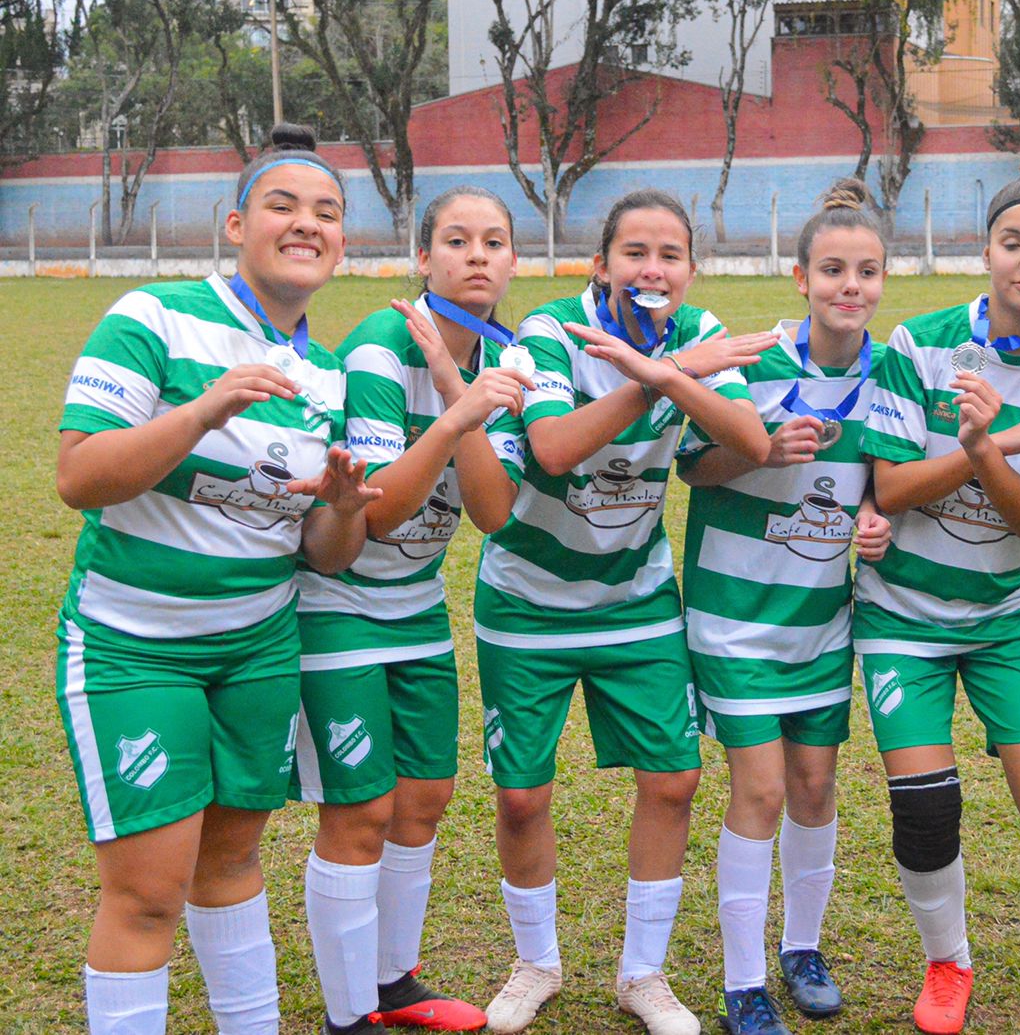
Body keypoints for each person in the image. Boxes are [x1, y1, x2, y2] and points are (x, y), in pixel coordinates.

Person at [55, 122, 380, 1034]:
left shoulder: (327, 376)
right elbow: (81, 477)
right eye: (283, 205)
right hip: (137, 649)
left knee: (233, 867)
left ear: (343, 241)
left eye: (327, 212)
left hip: (259, 649)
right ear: (235, 225)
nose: (306, 223)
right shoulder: (151, 316)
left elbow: (320, 551)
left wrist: (347, 507)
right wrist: (202, 409)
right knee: (150, 895)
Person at [475, 188, 779, 1035]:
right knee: (523, 797)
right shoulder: (549, 333)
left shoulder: (698, 330)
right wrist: (663, 382)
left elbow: (750, 443)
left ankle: (642, 975)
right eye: (634, 253)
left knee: (674, 779)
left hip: (636, 600)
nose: (652, 269)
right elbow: (553, 447)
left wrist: (676, 369)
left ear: (689, 269)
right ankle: (535, 961)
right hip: (527, 602)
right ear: (600, 264)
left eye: (670, 255)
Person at [857, 145, 1020, 1035]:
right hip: (901, 615)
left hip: (1007, 617)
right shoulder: (918, 344)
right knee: (926, 810)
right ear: (987, 251)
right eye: (1013, 241)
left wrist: (976, 447)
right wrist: (999, 441)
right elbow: (889, 489)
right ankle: (948, 966)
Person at [292, 187, 539, 1034]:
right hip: (338, 602)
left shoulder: (508, 359)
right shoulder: (374, 348)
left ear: (514, 261)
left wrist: (457, 385)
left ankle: (393, 982)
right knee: (360, 808)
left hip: (417, 608)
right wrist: (456, 412)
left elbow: (494, 511)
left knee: (426, 793)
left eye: (495, 242)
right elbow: (376, 513)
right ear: (424, 258)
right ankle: (346, 1014)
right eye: (457, 240)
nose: (478, 255)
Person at [676, 178, 893, 1035]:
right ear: (799, 277)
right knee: (759, 790)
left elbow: (885, 482)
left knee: (814, 784)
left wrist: (877, 518)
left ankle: (802, 949)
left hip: (820, 617)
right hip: (732, 616)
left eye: (867, 271)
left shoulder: (894, 374)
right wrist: (757, 451)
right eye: (833, 269)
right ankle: (740, 980)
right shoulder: (754, 362)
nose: (850, 286)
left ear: (883, 279)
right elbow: (692, 467)